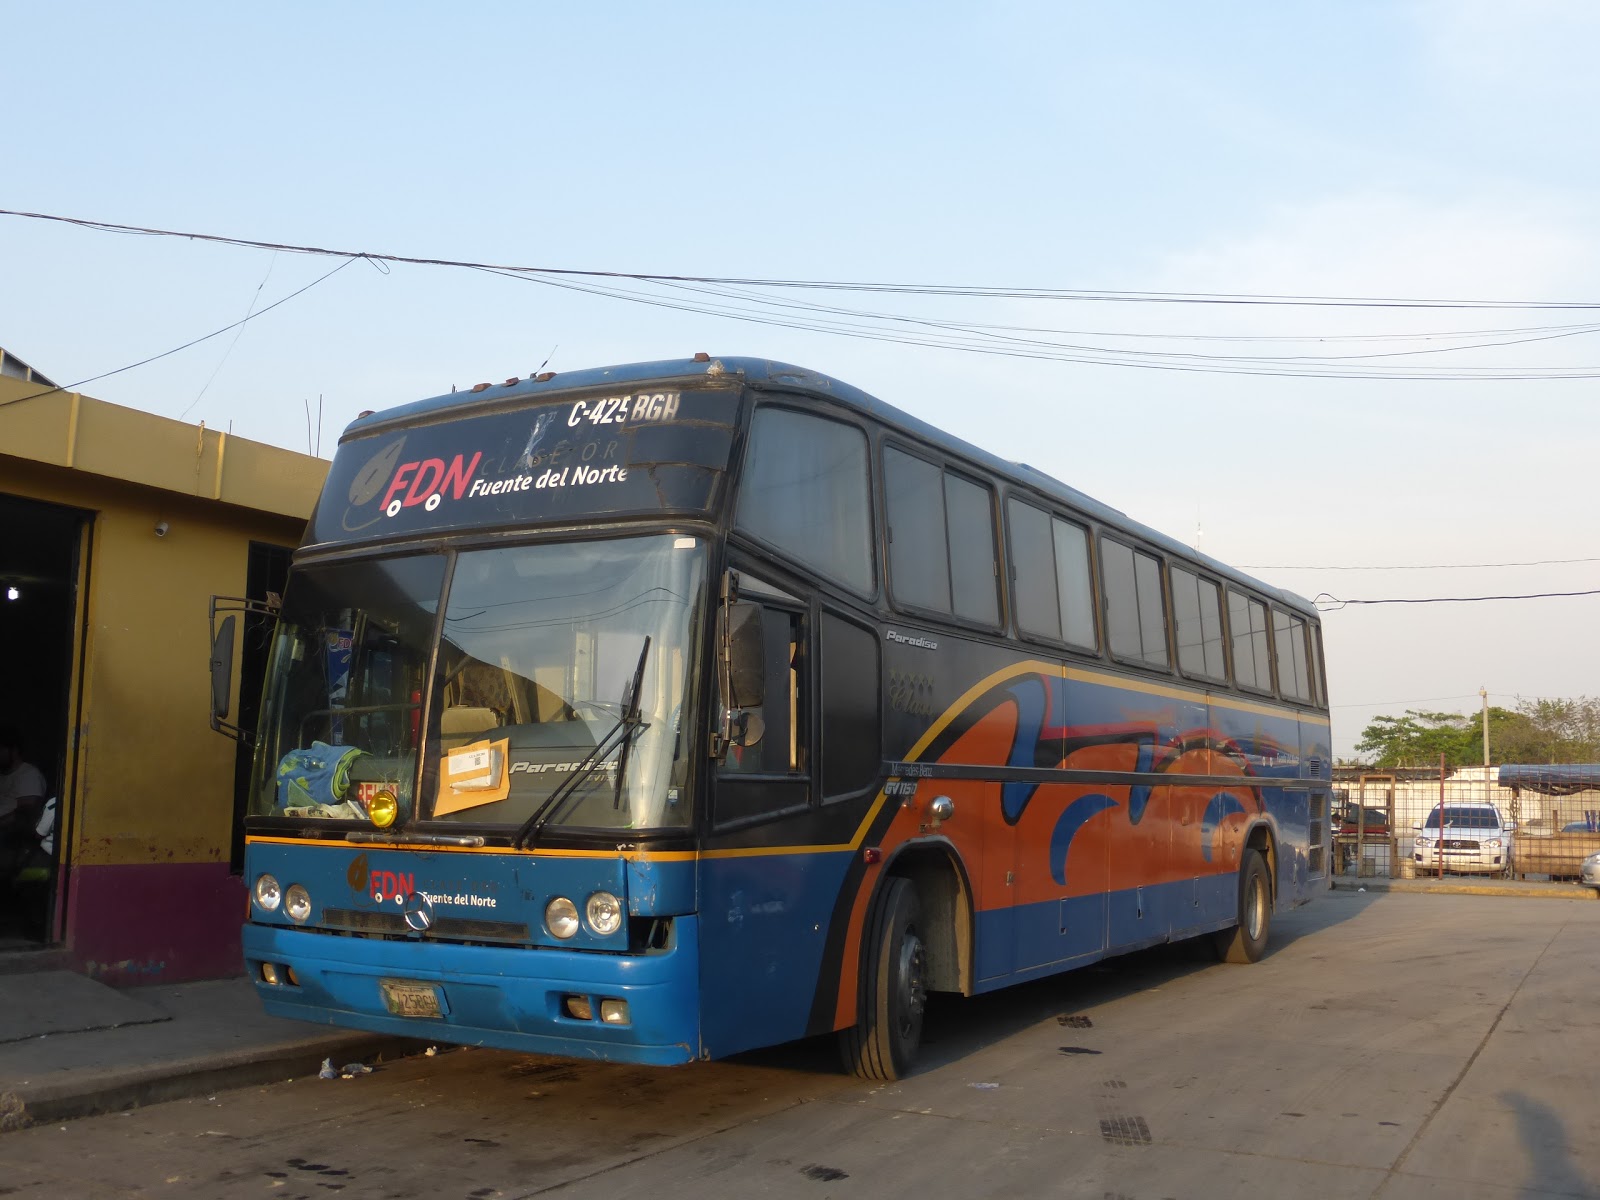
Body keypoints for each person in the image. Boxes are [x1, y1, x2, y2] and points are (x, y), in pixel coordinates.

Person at [0, 724, 47, 881]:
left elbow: (26, 816)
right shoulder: (4, 776)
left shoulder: (28, 775)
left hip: (11, 840)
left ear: (13, 751)